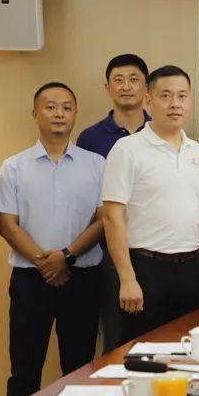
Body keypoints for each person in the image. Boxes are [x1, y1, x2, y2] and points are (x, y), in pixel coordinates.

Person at [0, 83, 105, 396]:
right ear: (35, 113)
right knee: (24, 371)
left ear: (75, 114)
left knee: (80, 369)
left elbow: (104, 220)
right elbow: (7, 225)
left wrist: (66, 257)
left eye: (67, 107)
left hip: (82, 279)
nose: (59, 114)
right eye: (51, 107)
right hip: (30, 280)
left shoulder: (96, 164)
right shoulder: (14, 166)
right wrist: (46, 263)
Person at [101, 65, 199, 341]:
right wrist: (127, 279)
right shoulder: (127, 149)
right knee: (144, 353)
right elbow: (112, 216)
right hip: (146, 269)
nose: (175, 104)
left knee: (190, 351)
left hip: (191, 269)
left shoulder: (196, 151)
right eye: (166, 96)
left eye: (182, 96)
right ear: (149, 100)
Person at [76, 53, 151, 351]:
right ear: (108, 88)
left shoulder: (163, 132)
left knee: (157, 339)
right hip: (106, 254)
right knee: (115, 340)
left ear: (146, 88)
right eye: (118, 80)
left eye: (134, 80)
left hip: (154, 253)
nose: (126, 86)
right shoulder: (90, 138)